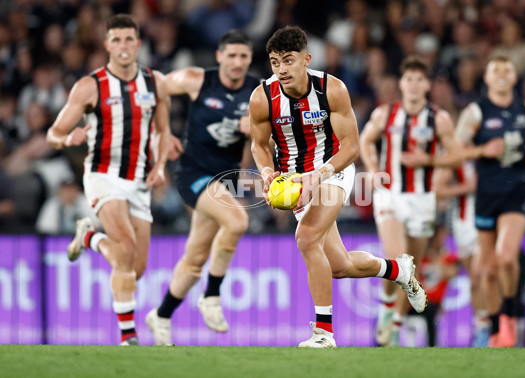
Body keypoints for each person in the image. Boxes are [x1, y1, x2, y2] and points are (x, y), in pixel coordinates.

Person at [249, 26, 427, 349]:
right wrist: (265, 172)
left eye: (288, 61)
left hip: (333, 170)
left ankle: (324, 334)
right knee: (340, 266)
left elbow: (352, 147)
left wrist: (319, 175)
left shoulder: (332, 89)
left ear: (307, 59)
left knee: (305, 238)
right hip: (293, 182)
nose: (281, 70)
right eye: (275, 62)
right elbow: (258, 144)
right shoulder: (262, 97)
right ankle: (398, 269)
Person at [46, 14, 171, 346]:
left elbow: (163, 129)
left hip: (140, 181)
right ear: (107, 45)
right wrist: (67, 138)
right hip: (103, 175)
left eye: (129, 39)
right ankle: (128, 337)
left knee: (135, 268)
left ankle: (89, 237)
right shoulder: (90, 86)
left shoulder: (155, 82)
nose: (123, 46)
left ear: (139, 44)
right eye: (116, 40)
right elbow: (53, 133)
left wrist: (160, 165)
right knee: (126, 248)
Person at [359, 56, 493, 346]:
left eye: (420, 80)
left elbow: (456, 154)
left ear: (428, 84)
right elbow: (365, 140)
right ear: (401, 84)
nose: (415, 85)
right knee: (397, 260)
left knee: (410, 272)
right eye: (410, 79)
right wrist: (372, 169)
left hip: (422, 199)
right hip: (390, 194)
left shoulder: (439, 118)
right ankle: (385, 305)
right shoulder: (386, 114)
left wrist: (427, 160)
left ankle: (395, 324)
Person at [145, 30, 260, 346]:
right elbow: (157, 86)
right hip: (193, 173)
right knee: (238, 221)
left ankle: (162, 315)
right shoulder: (197, 80)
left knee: (194, 259)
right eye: (232, 55)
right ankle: (211, 296)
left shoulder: (258, 92)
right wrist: (163, 132)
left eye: (244, 56)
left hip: (226, 180)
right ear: (219, 56)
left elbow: (266, 135)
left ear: (250, 59)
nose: (237, 62)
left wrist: (254, 133)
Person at [455, 55, 525, 347]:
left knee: (507, 257)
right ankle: (495, 330)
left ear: (515, 78)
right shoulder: (476, 111)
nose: (503, 74)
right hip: (486, 195)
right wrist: (482, 151)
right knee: (488, 269)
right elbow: (455, 151)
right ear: (487, 78)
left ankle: (509, 317)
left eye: (508, 69)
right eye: (496, 69)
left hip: (516, 192)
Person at [432, 163, 490, 347]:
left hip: (489, 219)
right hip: (464, 224)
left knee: (484, 275)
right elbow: (438, 188)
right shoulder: (458, 154)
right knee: (475, 279)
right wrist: (467, 187)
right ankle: (482, 326)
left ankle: (490, 325)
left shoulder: (489, 150)